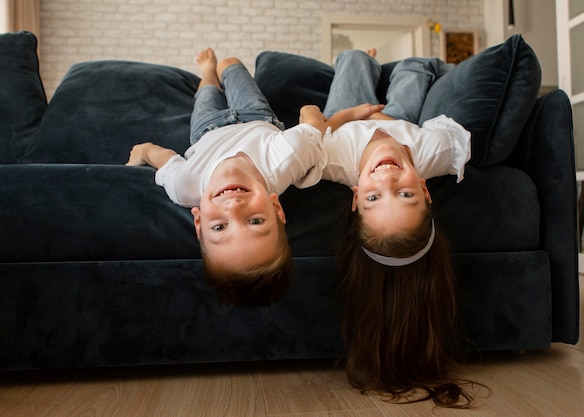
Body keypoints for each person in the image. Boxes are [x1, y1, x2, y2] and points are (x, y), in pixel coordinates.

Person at [322, 49, 479, 407]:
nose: (387, 176)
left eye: (374, 198)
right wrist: (397, 127)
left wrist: (343, 119)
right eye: (406, 193)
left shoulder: (332, 162)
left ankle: (366, 58)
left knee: (351, 60)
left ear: (355, 197)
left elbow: (312, 131)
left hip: (347, 124)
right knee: (413, 69)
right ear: (425, 188)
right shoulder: (433, 154)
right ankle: (394, 66)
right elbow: (451, 132)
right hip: (402, 121)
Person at [126, 47, 330, 308]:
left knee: (208, 89)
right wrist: (313, 124)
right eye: (255, 221)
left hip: (206, 128)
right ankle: (222, 67)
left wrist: (143, 151)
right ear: (277, 207)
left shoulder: (185, 186)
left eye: (220, 227)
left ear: (198, 221)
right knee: (231, 63)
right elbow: (312, 118)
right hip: (256, 117)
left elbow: (163, 156)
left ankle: (208, 72)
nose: (233, 208)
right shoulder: (288, 158)